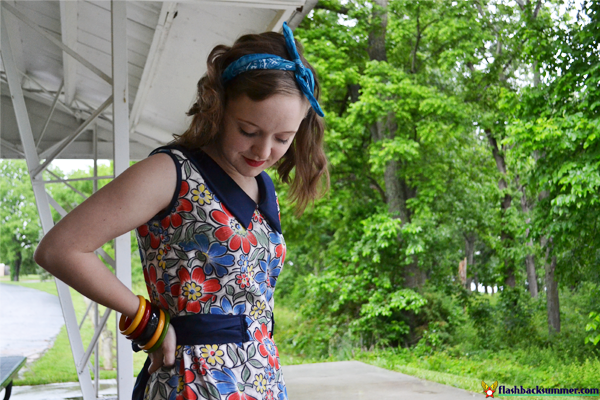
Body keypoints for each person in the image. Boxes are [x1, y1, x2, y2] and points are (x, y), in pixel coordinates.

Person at [34, 22, 328, 400]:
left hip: (261, 379)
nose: (263, 151)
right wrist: (147, 324)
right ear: (218, 108)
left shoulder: (264, 187)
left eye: (282, 138)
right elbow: (60, 248)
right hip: (193, 383)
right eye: (248, 130)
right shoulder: (172, 172)